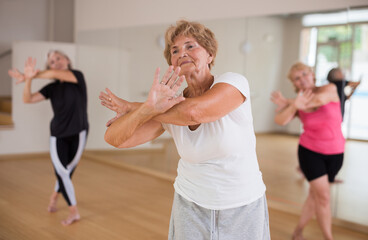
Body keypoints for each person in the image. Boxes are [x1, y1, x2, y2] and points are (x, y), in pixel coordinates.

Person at [100, 20, 270, 239]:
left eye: (191, 46)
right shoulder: (168, 106)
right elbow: (115, 139)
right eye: (175, 50)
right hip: (189, 206)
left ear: (210, 55)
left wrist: (136, 107)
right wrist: (145, 110)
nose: (182, 53)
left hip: (241, 205)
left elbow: (194, 112)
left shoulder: (234, 82)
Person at [8, 50, 89, 226]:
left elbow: (53, 73)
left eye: (58, 58)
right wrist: (28, 79)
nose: (56, 62)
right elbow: (27, 99)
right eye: (52, 61)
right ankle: (73, 211)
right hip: (58, 134)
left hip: (79, 132)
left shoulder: (77, 77)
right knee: (61, 172)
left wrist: (30, 74)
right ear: (49, 66)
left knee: (68, 171)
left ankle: (54, 197)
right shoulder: (51, 88)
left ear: (67, 60)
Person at [271, 62, 344, 240]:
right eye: (297, 78)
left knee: (315, 196)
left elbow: (317, 101)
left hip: (336, 153)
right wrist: (294, 105)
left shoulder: (329, 88)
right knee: (324, 197)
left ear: (312, 74)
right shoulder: (298, 102)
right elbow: (280, 121)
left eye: (304, 74)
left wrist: (290, 103)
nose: (302, 79)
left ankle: (298, 231)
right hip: (310, 152)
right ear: (294, 84)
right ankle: (329, 237)